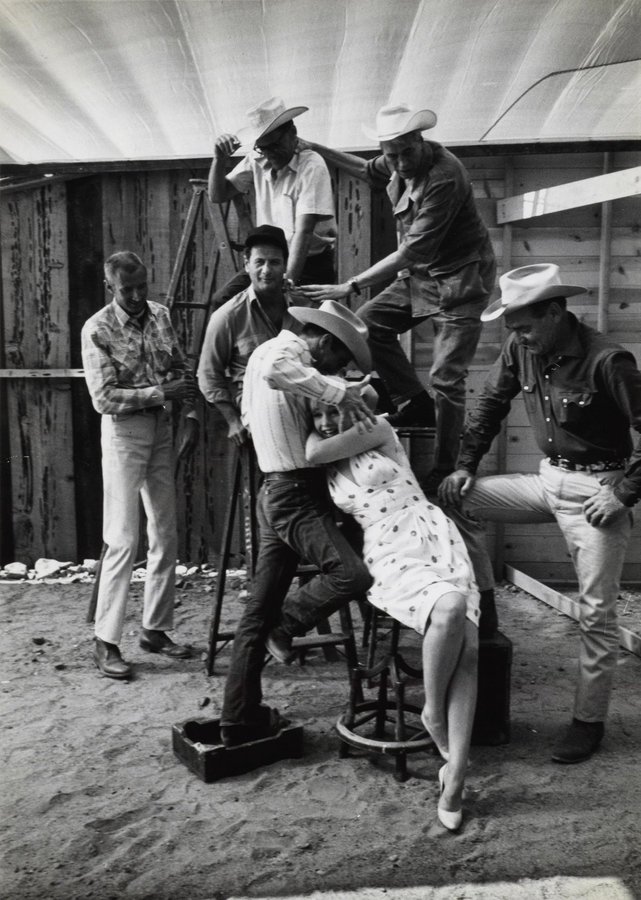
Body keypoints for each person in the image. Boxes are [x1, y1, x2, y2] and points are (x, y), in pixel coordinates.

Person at [438, 263, 641, 764]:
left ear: (554, 313)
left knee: (596, 614)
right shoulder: (520, 348)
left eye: (525, 326)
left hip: (598, 494)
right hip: (547, 480)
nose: (519, 336)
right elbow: (489, 404)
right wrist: (466, 466)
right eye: (512, 327)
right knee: (456, 499)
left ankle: (587, 723)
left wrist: (624, 493)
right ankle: (482, 599)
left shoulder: (608, 361)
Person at [306, 384, 479, 831]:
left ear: (350, 407)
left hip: (433, 536)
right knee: (451, 607)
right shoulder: (326, 457)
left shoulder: (376, 428)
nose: (325, 423)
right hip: (389, 548)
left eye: (331, 412)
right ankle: (433, 711)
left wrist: (345, 398)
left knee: (470, 650)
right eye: (316, 417)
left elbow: (309, 450)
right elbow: (308, 452)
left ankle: (455, 775)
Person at [300, 102, 496, 492]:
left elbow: (412, 252)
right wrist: (316, 147)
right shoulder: (394, 162)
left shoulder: (446, 177)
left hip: (461, 280)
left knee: (447, 378)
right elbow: (362, 168)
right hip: (421, 277)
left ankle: (444, 467)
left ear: (420, 141)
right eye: (392, 155)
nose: (401, 163)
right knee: (369, 325)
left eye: (407, 152)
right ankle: (413, 401)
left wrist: (351, 285)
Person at [219, 300, 376, 748]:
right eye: (339, 361)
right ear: (324, 342)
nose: (338, 371)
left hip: (278, 490)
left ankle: (238, 718)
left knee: (255, 611)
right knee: (352, 573)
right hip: (293, 494)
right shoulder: (277, 354)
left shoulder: (282, 362)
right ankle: (285, 627)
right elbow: (275, 373)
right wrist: (336, 393)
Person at [81, 251, 199, 680]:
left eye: (140, 286)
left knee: (165, 532)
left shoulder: (161, 315)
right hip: (124, 435)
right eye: (125, 289)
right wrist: (157, 392)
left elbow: (182, 371)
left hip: (162, 430)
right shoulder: (97, 328)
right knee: (123, 538)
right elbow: (103, 398)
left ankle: (155, 628)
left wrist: (187, 415)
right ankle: (106, 640)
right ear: (111, 287)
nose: (135, 296)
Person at [208, 96, 337, 307]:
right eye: (263, 148)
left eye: (275, 145)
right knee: (223, 302)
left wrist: (288, 284)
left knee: (291, 319)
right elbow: (217, 195)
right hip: (270, 259)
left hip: (308, 264)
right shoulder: (257, 159)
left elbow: (303, 233)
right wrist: (219, 158)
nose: (270, 153)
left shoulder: (311, 165)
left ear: (292, 134)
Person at [197, 224, 296, 445]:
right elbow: (207, 376)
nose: (267, 270)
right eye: (259, 262)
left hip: (303, 409)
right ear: (246, 265)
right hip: (258, 417)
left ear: (285, 266)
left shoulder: (303, 308)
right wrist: (233, 421)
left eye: (275, 262)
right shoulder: (228, 316)